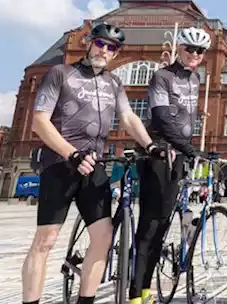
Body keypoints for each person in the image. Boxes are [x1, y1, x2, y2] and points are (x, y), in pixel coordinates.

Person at [21, 22, 164, 304]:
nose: (105, 50)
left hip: (94, 164)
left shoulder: (114, 83)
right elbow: (40, 121)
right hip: (60, 163)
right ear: (89, 42)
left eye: (112, 48)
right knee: (46, 240)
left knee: (103, 237)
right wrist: (71, 154)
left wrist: (151, 145)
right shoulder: (61, 74)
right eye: (100, 43)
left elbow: (128, 118)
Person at [128, 26, 211, 304]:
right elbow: (162, 118)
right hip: (159, 154)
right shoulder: (161, 76)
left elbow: (187, 120)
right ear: (179, 48)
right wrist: (188, 148)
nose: (194, 54)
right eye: (190, 49)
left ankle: (146, 290)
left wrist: (189, 150)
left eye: (200, 51)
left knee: (163, 226)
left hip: (180, 156)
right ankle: (134, 295)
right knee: (150, 226)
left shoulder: (196, 79)